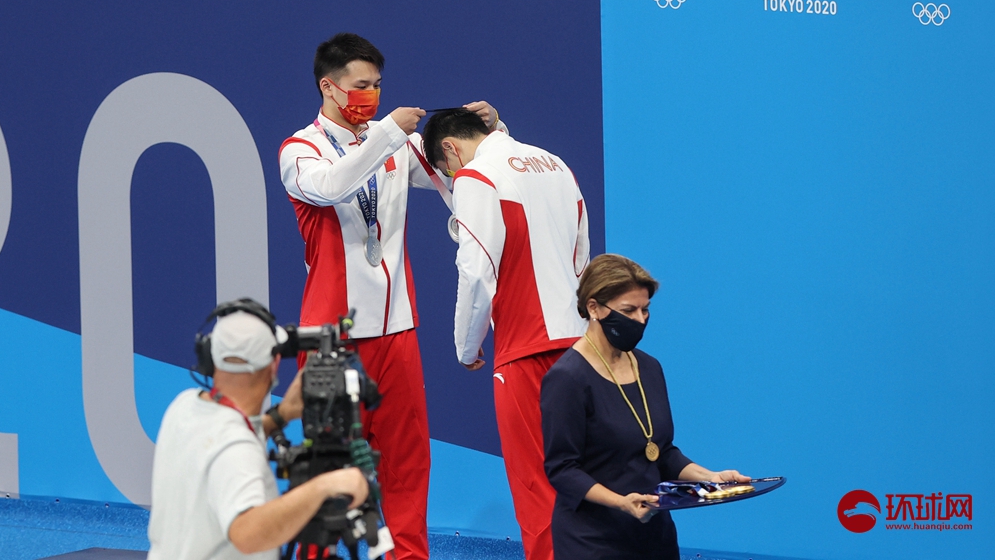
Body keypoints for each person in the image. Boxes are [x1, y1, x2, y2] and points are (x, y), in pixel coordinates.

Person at [278, 33, 500, 560]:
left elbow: (462, 178)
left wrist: (489, 135)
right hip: (333, 336)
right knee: (330, 466)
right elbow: (331, 187)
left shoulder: (396, 145)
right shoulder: (299, 150)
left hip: (397, 330)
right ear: (328, 88)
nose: (372, 94)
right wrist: (386, 135)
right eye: (361, 85)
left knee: (406, 459)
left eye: (378, 84)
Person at [421, 108, 590, 560]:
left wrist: (466, 345)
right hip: (583, 346)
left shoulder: (474, 177)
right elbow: (582, 257)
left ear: (450, 150)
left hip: (525, 351)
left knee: (539, 488)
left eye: (446, 172)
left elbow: (477, 271)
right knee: (592, 482)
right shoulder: (556, 164)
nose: (452, 180)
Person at [540, 254, 750, 559]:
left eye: (645, 309)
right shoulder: (566, 378)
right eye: (629, 310)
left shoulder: (650, 368)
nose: (640, 320)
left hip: (654, 534)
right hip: (592, 541)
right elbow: (562, 469)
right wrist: (621, 503)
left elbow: (661, 452)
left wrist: (711, 478)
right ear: (594, 307)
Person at [148, 304, 369, 560]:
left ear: (211, 356)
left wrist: (280, 416)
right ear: (274, 365)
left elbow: (217, 440)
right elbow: (247, 533)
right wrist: (326, 485)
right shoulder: (237, 450)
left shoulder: (184, 406)